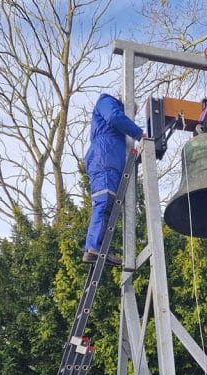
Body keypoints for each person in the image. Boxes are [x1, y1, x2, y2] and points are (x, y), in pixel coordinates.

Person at [83, 93, 144, 269]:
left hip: (112, 161)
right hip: (104, 158)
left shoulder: (119, 134)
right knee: (103, 202)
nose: (130, 117)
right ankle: (93, 247)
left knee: (108, 206)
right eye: (131, 113)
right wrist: (139, 133)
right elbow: (114, 117)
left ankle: (100, 248)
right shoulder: (106, 101)